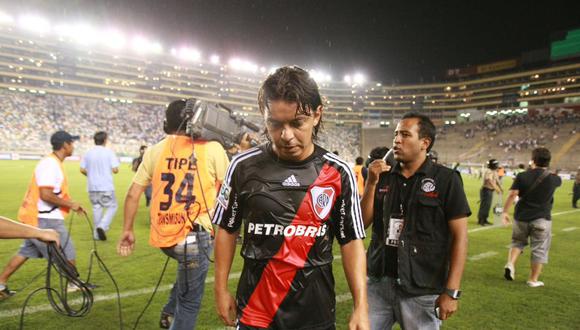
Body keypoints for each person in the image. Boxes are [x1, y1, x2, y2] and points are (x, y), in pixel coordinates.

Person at [213, 66, 369, 330]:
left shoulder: (338, 172)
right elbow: (227, 230)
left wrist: (361, 306)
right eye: (275, 124)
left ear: (317, 115)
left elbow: (351, 241)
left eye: (297, 123)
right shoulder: (241, 166)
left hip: (315, 314)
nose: (286, 135)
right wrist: (220, 288)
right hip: (255, 309)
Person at [117, 99, 229, 330]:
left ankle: (168, 311)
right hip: (194, 237)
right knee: (189, 303)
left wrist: (127, 230)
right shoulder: (212, 147)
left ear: (167, 122)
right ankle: (172, 314)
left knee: (187, 274)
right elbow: (230, 192)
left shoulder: (154, 150)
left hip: (165, 236)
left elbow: (132, 194)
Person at [361, 112, 470, 329]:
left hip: (422, 288)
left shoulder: (446, 180)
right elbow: (362, 222)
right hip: (378, 282)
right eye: (395, 134)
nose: (396, 140)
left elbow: (460, 238)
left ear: (424, 143)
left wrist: (451, 291)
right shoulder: (383, 175)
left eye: (404, 134)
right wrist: (371, 184)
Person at [0, 131, 86, 299]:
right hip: (44, 217)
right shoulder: (50, 164)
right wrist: (71, 204)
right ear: (65, 145)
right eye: (71, 143)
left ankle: (1, 283)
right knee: (67, 250)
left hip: (38, 216)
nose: (73, 146)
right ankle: (73, 283)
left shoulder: (53, 163)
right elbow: (46, 194)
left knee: (26, 252)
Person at [501, 147, 562, 287]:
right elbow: (555, 181)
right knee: (539, 249)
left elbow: (512, 195)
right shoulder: (555, 179)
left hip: (521, 216)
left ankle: (510, 264)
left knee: (517, 242)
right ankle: (533, 280)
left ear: (532, 160)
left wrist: (504, 212)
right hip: (542, 219)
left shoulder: (522, 176)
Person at [80, 131, 120, 241]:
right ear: (105, 140)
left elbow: (82, 169)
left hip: (92, 187)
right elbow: (115, 169)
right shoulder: (109, 152)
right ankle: (102, 226)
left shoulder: (88, 153)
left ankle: (96, 235)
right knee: (112, 206)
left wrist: (91, 175)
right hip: (105, 186)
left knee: (96, 208)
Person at [477, 159, 502, 226]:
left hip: (489, 190)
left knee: (487, 206)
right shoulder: (489, 171)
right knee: (484, 206)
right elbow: (489, 180)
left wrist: (500, 188)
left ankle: (485, 219)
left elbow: (497, 180)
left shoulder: (494, 171)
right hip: (486, 190)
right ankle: (481, 220)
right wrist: (496, 188)